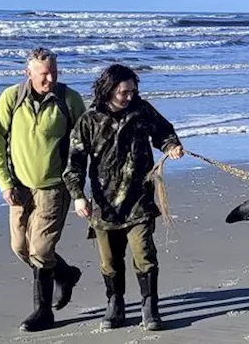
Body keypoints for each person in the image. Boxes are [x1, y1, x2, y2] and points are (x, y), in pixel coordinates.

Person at [63, 63, 184, 331]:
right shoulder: (90, 120)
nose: (129, 96)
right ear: (108, 90)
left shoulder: (141, 111)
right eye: (124, 92)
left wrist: (172, 145)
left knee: (144, 254)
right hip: (104, 205)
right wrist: (78, 196)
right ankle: (115, 304)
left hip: (140, 199)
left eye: (133, 90)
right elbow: (75, 162)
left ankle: (150, 307)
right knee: (109, 261)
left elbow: (163, 132)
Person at [0, 47, 87, 332]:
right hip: (19, 187)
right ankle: (66, 274)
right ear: (28, 73)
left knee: (41, 249)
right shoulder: (11, 98)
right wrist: (5, 182)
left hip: (55, 187)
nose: (50, 78)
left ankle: (43, 312)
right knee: (20, 247)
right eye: (44, 74)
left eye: (54, 72)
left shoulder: (69, 99)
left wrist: (79, 186)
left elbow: (84, 144)